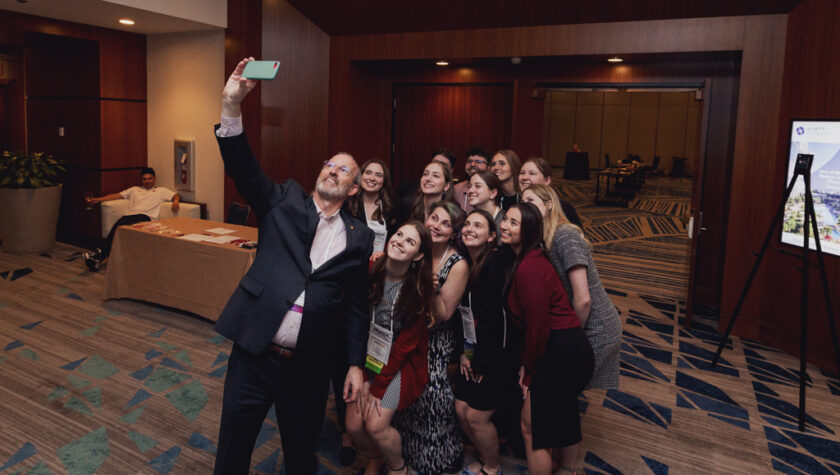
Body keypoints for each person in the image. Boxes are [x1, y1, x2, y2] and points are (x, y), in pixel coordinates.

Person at [212, 58, 373, 475]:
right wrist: (231, 106)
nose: (333, 170)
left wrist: (354, 363)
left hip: (309, 366)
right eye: (329, 164)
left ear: (354, 188)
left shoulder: (360, 236)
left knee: (301, 456)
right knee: (233, 450)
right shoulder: (283, 200)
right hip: (255, 353)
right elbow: (243, 169)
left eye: (344, 170)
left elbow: (356, 304)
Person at [501, 203, 594, 475]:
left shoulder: (529, 268)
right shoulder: (530, 257)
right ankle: (567, 468)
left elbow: (538, 328)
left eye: (514, 223)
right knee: (560, 414)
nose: (505, 225)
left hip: (561, 354)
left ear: (528, 230)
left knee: (532, 429)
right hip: (564, 350)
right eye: (505, 219)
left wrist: (529, 372)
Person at [346, 221, 435, 475]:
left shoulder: (419, 288)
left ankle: (398, 468)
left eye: (410, 242)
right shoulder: (372, 269)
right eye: (399, 235)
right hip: (368, 356)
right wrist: (362, 374)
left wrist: (377, 386)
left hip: (400, 365)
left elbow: (405, 347)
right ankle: (377, 456)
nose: (399, 241)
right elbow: (358, 323)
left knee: (375, 426)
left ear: (418, 256)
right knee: (353, 427)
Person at [522, 184, 621, 391]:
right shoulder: (543, 237)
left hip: (596, 324)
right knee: (562, 388)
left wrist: (571, 336)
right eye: (523, 202)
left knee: (563, 386)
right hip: (582, 319)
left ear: (549, 205)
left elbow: (583, 298)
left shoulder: (564, 235)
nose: (525, 207)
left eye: (531, 201)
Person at [395, 201, 468, 474]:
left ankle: (439, 456)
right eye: (434, 218)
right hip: (404, 331)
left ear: (453, 233)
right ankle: (404, 452)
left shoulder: (457, 264)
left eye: (445, 223)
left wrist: (431, 289)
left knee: (432, 394)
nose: (436, 225)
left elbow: (445, 314)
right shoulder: (414, 249)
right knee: (399, 395)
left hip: (435, 339)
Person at [454, 210, 520, 475]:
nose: (469, 228)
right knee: (460, 408)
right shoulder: (467, 264)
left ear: (492, 236)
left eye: (478, 225)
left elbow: (492, 319)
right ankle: (483, 456)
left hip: (495, 356)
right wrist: (464, 353)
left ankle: (492, 467)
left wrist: (479, 361)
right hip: (474, 351)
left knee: (476, 416)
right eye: (467, 224)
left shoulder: (492, 263)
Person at [81, 167, 180, 271]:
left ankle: (96, 255)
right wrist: (97, 200)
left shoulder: (161, 190)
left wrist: (176, 201)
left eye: (149, 178)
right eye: (144, 179)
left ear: (154, 179)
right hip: (128, 216)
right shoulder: (134, 189)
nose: (147, 181)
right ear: (141, 180)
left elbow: (176, 195)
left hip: (145, 217)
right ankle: (96, 258)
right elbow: (116, 195)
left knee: (118, 232)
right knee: (114, 232)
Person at [345, 159, 395, 264]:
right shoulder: (347, 204)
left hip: (380, 265)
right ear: (361, 176)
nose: (372, 178)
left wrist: (385, 254)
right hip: (352, 264)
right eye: (368, 173)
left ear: (384, 180)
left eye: (378, 175)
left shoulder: (391, 207)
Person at [517, 157, 583, 229]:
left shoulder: (564, 209)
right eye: (522, 173)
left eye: (532, 173)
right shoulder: (516, 204)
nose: (524, 177)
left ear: (547, 181)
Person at [393, 160, 453, 227]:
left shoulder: (451, 214)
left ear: (446, 186)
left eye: (435, 176)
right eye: (425, 174)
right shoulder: (406, 205)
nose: (428, 179)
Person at [453, 146, 491, 213]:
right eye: (469, 161)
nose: (472, 164)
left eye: (478, 162)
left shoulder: (492, 187)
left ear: (488, 167)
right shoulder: (456, 189)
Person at [467, 169, 504, 235]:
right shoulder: (469, 220)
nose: (470, 191)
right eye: (469, 186)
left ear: (493, 193)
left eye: (478, 186)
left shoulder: (504, 222)